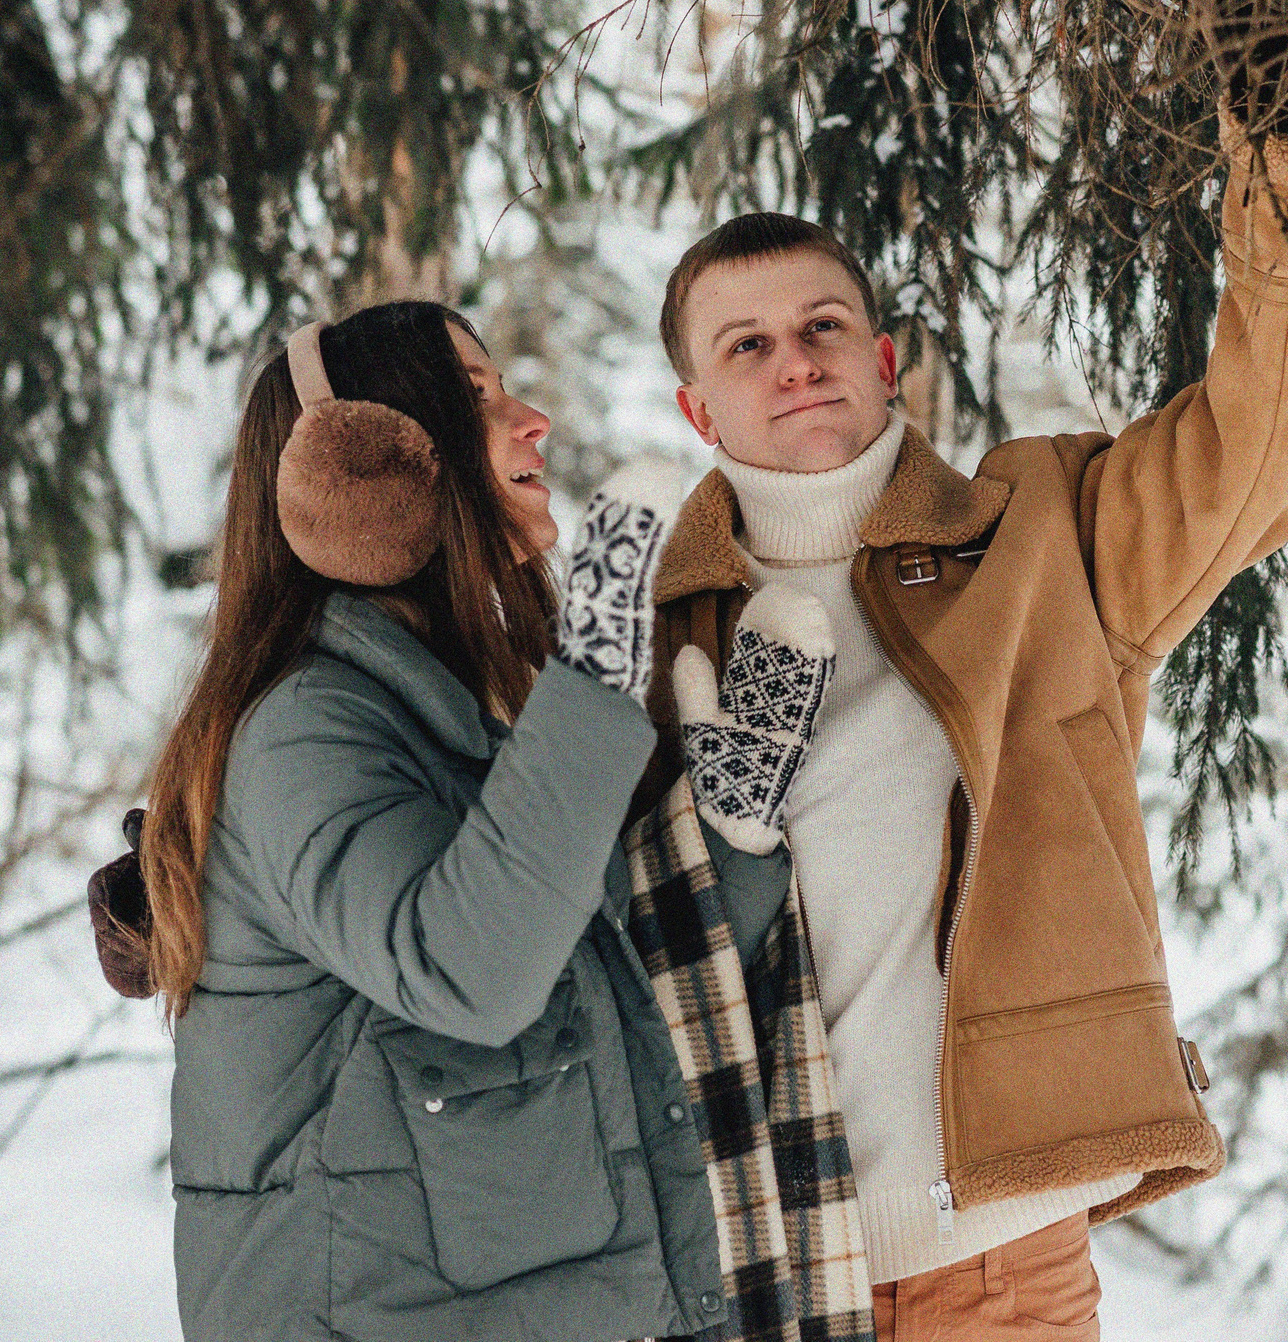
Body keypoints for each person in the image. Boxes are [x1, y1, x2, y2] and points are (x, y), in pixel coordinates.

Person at [641, 101, 1288, 1340]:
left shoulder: (1037, 537)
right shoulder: (656, 645)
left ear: (882, 358)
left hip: (992, 1264)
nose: (794, 361)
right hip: (747, 1278)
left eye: (822, 325)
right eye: (746, 345)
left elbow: (1264, 448)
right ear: (697, 410)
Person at [119, 300, 828, 1342]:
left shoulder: (457, 704)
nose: (533, 418)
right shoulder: (306, 728)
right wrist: (591, 684)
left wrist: (734, 831)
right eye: (477, 397)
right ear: (367, 461)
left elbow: (580, 968)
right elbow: (471, 971)